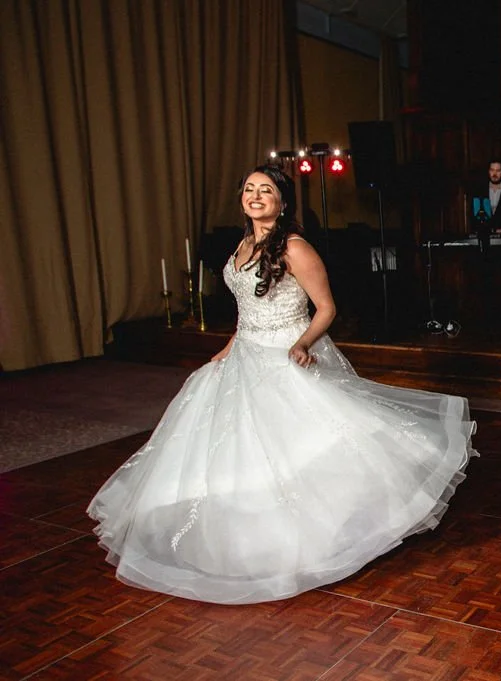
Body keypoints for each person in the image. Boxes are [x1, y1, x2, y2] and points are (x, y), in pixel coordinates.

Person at [88, 165, 478, 605]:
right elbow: (244, 311)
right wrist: (226, 349)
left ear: (283, 201)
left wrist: (303, 344)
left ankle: (310, 540)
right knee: (235, 451)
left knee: (300, 447)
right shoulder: (240, 244)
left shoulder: (295, 247)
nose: (256, 196)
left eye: (266, 190)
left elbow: (326, 308)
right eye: (250, 189)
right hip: (245, 353)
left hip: (286, 351)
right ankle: (245, 538)